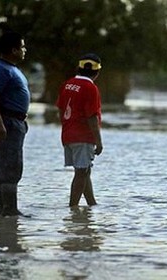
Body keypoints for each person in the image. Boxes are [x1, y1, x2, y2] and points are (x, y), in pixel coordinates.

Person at [0, 31, 30, 216]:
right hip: (7, 122)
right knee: (10, 166)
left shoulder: (11, 68)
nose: (24, 50)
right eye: (22, 47)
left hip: (14, 122)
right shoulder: (1, 69)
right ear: (13, 50)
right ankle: (8, 209)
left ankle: (4, 208)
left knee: (6, 164)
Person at [56, 53, 104, 207]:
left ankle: (92, 204)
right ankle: (73, 208)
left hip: (68, 135)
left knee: (84, 171)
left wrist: (66, 127)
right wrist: (99, 141)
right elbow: (92, 117)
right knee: (81, 173)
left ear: (79, 67)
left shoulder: (68, 84)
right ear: (97, 72)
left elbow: (60, 109)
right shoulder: (91, 88)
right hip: (83, 137)